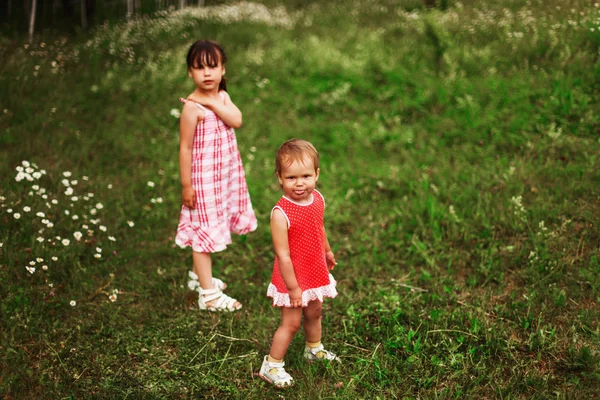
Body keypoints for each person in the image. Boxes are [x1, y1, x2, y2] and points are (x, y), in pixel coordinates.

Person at [176, 40, 257, 312]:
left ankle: (198, 276)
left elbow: (236, 120)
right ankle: (208, 294)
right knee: (203, 231)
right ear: (190, 72)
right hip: (203, 181)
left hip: (223, 177)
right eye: (199, 68)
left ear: (223, 69)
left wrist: (211, 99)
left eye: (213, 67)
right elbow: (185, 148)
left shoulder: (220, 98)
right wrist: (187, 186)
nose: (207, 74)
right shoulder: (191, 108)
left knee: (211, 223)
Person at [259, 139, 339, 388]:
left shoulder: (318, 199)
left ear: (317, 174)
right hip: (291, 276)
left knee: (315, 312)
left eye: (306, 175)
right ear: (280, 178)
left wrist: (326, 251)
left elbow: (319, 228)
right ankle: (272, 364)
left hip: (314, 269)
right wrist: (293, 288)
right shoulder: (280, 214)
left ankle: (313, 350)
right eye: (292, 177)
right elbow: (283, 255)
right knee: (291, 323)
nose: (300, 183)